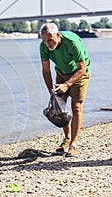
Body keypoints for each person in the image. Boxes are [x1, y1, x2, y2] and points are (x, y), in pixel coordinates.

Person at [39, 22, 91, 157]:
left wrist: (67, 85)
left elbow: (82, 68)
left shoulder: (72, 42)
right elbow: (45, 71)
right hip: (61, 73)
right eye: (44, 40)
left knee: (76, 106)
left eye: (50, 39)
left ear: (57, 35)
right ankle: (67, 139)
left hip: (79, 72)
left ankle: (73, 145)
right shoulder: (44, 47)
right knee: (60, 106)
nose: (47, 43)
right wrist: (51, 90)